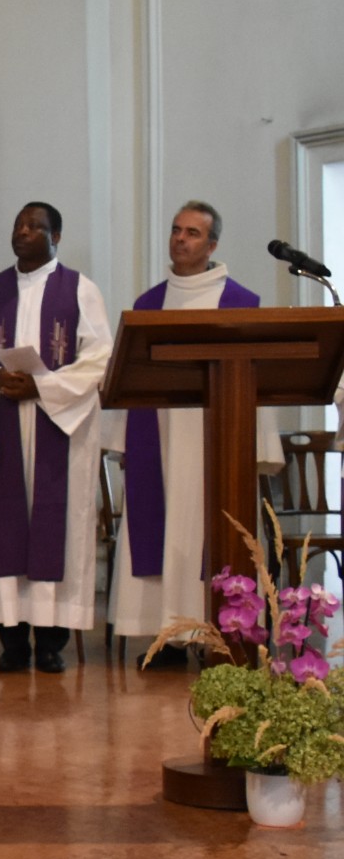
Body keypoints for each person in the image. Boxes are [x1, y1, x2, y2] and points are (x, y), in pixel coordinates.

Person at [105, 201, 282, 659]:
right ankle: (165, 639)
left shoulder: (241, 303)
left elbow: (256, 379)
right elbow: (128, 374)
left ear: (213, 245)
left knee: (212, 528)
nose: (180, 239)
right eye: (176, 230)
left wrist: (259, 444)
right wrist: (123, 439)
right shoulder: (149, 304)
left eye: (193, 233)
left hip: (216, 439)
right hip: (160, 437)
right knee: (163, 528)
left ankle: (221, 638)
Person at [0, 203, 112, 673]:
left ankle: (51, 642)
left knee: (58, 525)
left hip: (59, 429)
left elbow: (98, 359)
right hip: (3, 421)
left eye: (36, 227)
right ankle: (12, 640)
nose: (24, 232)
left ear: (57, 237)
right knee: (5, 526)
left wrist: (42, 386)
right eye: (19, 225)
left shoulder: (80, 291)